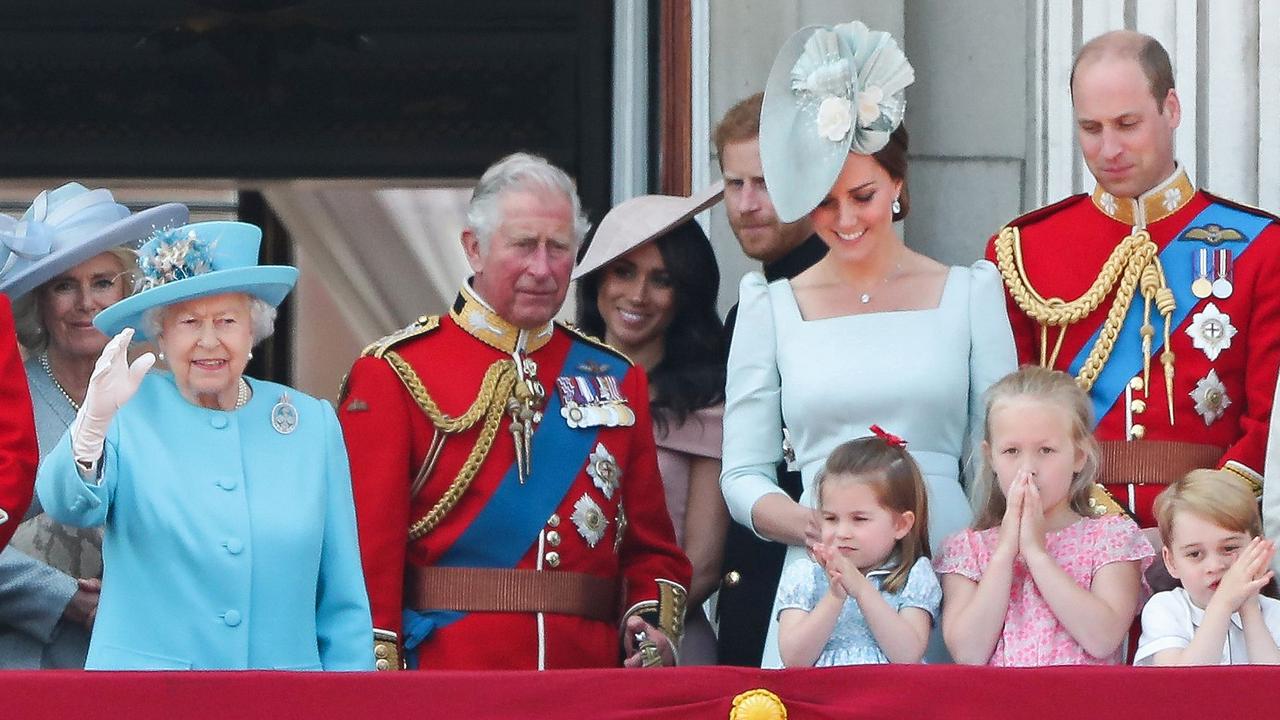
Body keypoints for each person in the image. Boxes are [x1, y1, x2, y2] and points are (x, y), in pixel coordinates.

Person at [721, 20, 1016, 668]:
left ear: (899, 186)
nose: (847, 220)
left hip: (947, 566)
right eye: (825, 203)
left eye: (863, 196)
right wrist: (816, 529)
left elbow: (993, 454)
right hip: (818, 577)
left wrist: (982, 559)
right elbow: (742, 474)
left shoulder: (971, 292)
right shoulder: (769, 306)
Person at [340, 152, 691, 671]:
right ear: (474, 248)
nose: (544, 269)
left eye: (560, 248)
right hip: (450, 682)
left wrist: (650, 630)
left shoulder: (616, 378)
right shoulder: (394, 372)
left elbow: (653, 550)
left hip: (586, 683)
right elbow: (366, 557)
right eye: (524, 245)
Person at [35, 220, 373, 670]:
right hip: (148, 700)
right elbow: (67, 504)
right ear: (162, 334)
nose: (208, 341)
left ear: (253, 331)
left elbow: (343, 598)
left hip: (281, 700)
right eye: (190, 322)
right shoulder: (126, 410)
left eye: (227, 321)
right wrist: (93, 422)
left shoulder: (310, 424)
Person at [986, 30, 1280, 527]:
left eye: (1128, 124)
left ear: (1171, 109)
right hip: (1071, 528)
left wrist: (1200, 524)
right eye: (1091, 127)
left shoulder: (1260, 245)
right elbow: (1012, 415)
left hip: (1210, 541)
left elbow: (1267, 417)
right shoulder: (1023, 250)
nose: (1110, 148)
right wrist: (1087, 525)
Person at [0, 182, 187, 668]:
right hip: (25, 665)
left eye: (102, 282)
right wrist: (63, 596)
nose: (86, 303)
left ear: (129, 290)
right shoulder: (8, 400)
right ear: (38, 301)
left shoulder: (171, 401)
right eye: (65, 285)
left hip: (153, 660)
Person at [573, 183, 729, 664]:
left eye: (661, 280)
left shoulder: (707, 401)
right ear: (597, 277)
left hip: (665, 648)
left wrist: (643, 632)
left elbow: (702, 563)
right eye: (623, 271)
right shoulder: (546, 378)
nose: (637, 295)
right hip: (565, 640)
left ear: (685, 294)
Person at [713, 91, 828, 668]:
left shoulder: (832, 296)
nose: (748, 203)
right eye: (734, 185)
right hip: (759, 567)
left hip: (825, 576)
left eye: (764, 182)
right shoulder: (752, 305)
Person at [937, 366, 1153, 666]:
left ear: (1078, 456)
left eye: (1046, 450)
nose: (1028, 468)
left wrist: (1037, 554)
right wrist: (1005, 552)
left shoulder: (1111, 538)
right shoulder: (968, 549)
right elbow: (969, 653)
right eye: (1011, 451)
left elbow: (1103, 639)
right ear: (991, 457)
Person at [776, 430, 939, 667]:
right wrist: (834, 596)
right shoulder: (805, 576)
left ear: (901, 525)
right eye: (831, 519)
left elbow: (907, 655)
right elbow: (794, 659)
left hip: (887, 698)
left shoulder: (913, 576)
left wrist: (861, 589)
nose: (842, 532)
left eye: (859, 519)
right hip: (819, 698)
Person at [1136, 469, 1280, 665]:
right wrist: (1223, 603)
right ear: (1171, 561)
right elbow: (1181, 686)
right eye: (1195, 554)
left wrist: (1250, 610)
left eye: (1229, 548)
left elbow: (1272, 689)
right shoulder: (1166, 609)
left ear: (1260, 549)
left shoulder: (1274, 613)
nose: (1214, 566)